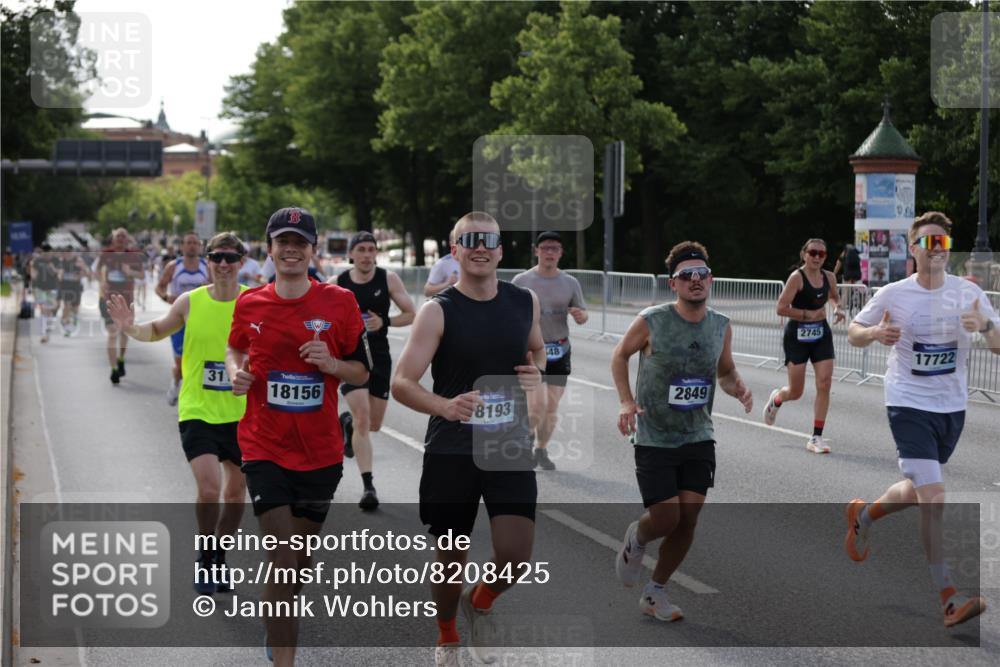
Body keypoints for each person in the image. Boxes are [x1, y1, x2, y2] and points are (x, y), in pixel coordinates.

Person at [392, 211, 545, 666]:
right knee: (450, 555)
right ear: (454, 249)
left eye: (489, 241)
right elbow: (403, 381)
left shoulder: (524, 301)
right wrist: (444, 405)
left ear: (501, 250)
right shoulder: (438, 310)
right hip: (453, 447)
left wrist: (537, 369)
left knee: (516, 556)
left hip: (508, 444)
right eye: (470, 240)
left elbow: (537, 347)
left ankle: (479, 601)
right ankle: (446, 636)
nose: (480, 247)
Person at [225, 207, 370, 666]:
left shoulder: (339, 303)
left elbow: (362, 370)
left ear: (313, 249)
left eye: (300, 242)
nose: (291, 249)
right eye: (282, 241)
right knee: (284, 558)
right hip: (264, 445)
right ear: (268, 248)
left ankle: (277, 619)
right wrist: (236, 373)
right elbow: (235, 347)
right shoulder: (250, 302)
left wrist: (331, 365)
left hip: (321, 452)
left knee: (297, 565)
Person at [846, 211, 999, 628]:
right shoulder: (894, 293)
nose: (935, 250)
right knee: (934, 496)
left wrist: (985, 325)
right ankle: (949, 597)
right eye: (927, 243)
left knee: (917, 489)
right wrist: (876, 334)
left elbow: (999, 342)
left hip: (951, 407)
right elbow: (854, 331)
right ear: (912, 249)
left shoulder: (967, 292)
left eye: (942, 243)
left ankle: (863, 516)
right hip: (907, 402)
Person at [610, 240, 752, 623]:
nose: (695, 281)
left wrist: (737, 386)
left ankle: (655, 590)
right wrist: (626, 401)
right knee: (667, 518)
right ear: (673, 284)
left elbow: (723, 371)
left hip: (697, 435)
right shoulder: (652, 320)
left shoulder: (720, 326)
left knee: (688, 519)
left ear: (711, 280)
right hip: (655, 435)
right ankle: (637, 539)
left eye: (701, 274)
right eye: (685, 275)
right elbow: (620, 355)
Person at [107, 232, 250, 594]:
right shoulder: (190, 301)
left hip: (243, 414)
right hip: (197, 409)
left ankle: (219, 556)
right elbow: (157, 329)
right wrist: (131, 328)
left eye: (230, 258)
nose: (223, 264)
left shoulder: (255, 301)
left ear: (242, 262)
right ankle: (204, 554)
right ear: (208, 261)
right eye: (216, 257)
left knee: (235, 497)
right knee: (209, 487)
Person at [335, 231, 415, 510]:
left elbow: (411, 314)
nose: (367, 255)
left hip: (379, 356)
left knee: (374, 424)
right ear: (352, 254)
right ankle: (368, 486)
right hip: (351, 358)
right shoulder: (339, 283)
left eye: (372, 250)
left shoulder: (388, 279)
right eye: (362, 250)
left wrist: (385, 323)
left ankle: (344, 423)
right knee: (363, 416)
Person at [511, 231, 588, 470]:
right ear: (536, 251)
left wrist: (579, 315)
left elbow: (583, 315)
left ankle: (541, 450)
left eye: (555, 248)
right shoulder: (521, 281)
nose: (550, 252)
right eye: (545, 248)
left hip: (560, 350)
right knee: (537, 405)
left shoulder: (570, 282)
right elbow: (507, 311)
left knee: (552, 407)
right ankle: (527, 436)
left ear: (561, 253)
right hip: (532, 352)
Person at [762, 239, 846, 453]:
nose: (817, 257)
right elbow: (780, 308)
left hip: (820, 335)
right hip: (797, 337)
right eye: (813, 253)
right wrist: (806, 314)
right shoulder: (796, 278)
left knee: (825, 383)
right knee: (796, 391)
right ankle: (778, 398)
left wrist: (838, 309)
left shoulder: (829, 277)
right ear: (804, 254)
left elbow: (834, 297)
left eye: (822, 254)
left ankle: (816, 437)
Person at [157, 231, 210, 406]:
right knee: (180, 365)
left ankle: (193, 395)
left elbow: (217, 290)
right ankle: (176, 382)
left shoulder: (207, 267)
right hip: (179, 321)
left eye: (195, 243)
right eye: (189, 242)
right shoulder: (174, 266)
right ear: (182, 246)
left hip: (201, 320)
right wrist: (167, 298)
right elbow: (159, 288)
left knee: (200, 362)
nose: (192, 245)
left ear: (200, 246)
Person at [96, 229, 144, 384]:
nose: (121, 239)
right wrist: (101, 281)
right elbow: (97, 271)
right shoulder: (105, 254)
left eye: (124, 236)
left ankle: (121, 358)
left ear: (127, 240)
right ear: (113, 239)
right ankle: (114, 369)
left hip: (126, 300)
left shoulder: (133, 256)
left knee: (125, 332)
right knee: (112, 333)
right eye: (118, 236)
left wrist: (130, 272)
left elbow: (142, 275)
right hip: (108, 299)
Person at [29, 243, 60, 343]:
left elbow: (58, 274)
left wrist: (52, 267)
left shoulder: (55, 260)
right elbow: (33, 275)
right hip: (40, 288)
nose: (46, 254)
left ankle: (47, 327)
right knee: (43, 309)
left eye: (48, 252)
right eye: (44, 252)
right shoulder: (37, 261)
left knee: (49, 310)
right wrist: (33, 273)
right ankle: (44, 334)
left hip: (52, 288)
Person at [57, 247, 90, 336]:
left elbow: (87, 273)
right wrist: (60, 275)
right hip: (65, 287)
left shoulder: (78, 260)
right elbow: (59, 274)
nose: (66, 254)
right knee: (66, 305)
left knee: (75, 308)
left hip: (76, 287)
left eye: (68, 252)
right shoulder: (61, 261)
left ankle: (73, 319)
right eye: (64, 252)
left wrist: (82, 271)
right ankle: (66, 326)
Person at [423, 229, 460, 297]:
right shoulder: (443, 263)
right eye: (459, 240)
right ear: (452, 243)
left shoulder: (475, 261)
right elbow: (427, 291)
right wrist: (447, 284)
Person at [835, 243, 865, 315]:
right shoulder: (856, 252)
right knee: (861, 291)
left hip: (848, 274)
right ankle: (864, 307)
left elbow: (838, 263)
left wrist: (834, 273)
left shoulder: (845, 252)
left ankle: (841, 310)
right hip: (857, 275)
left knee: (846, 292)